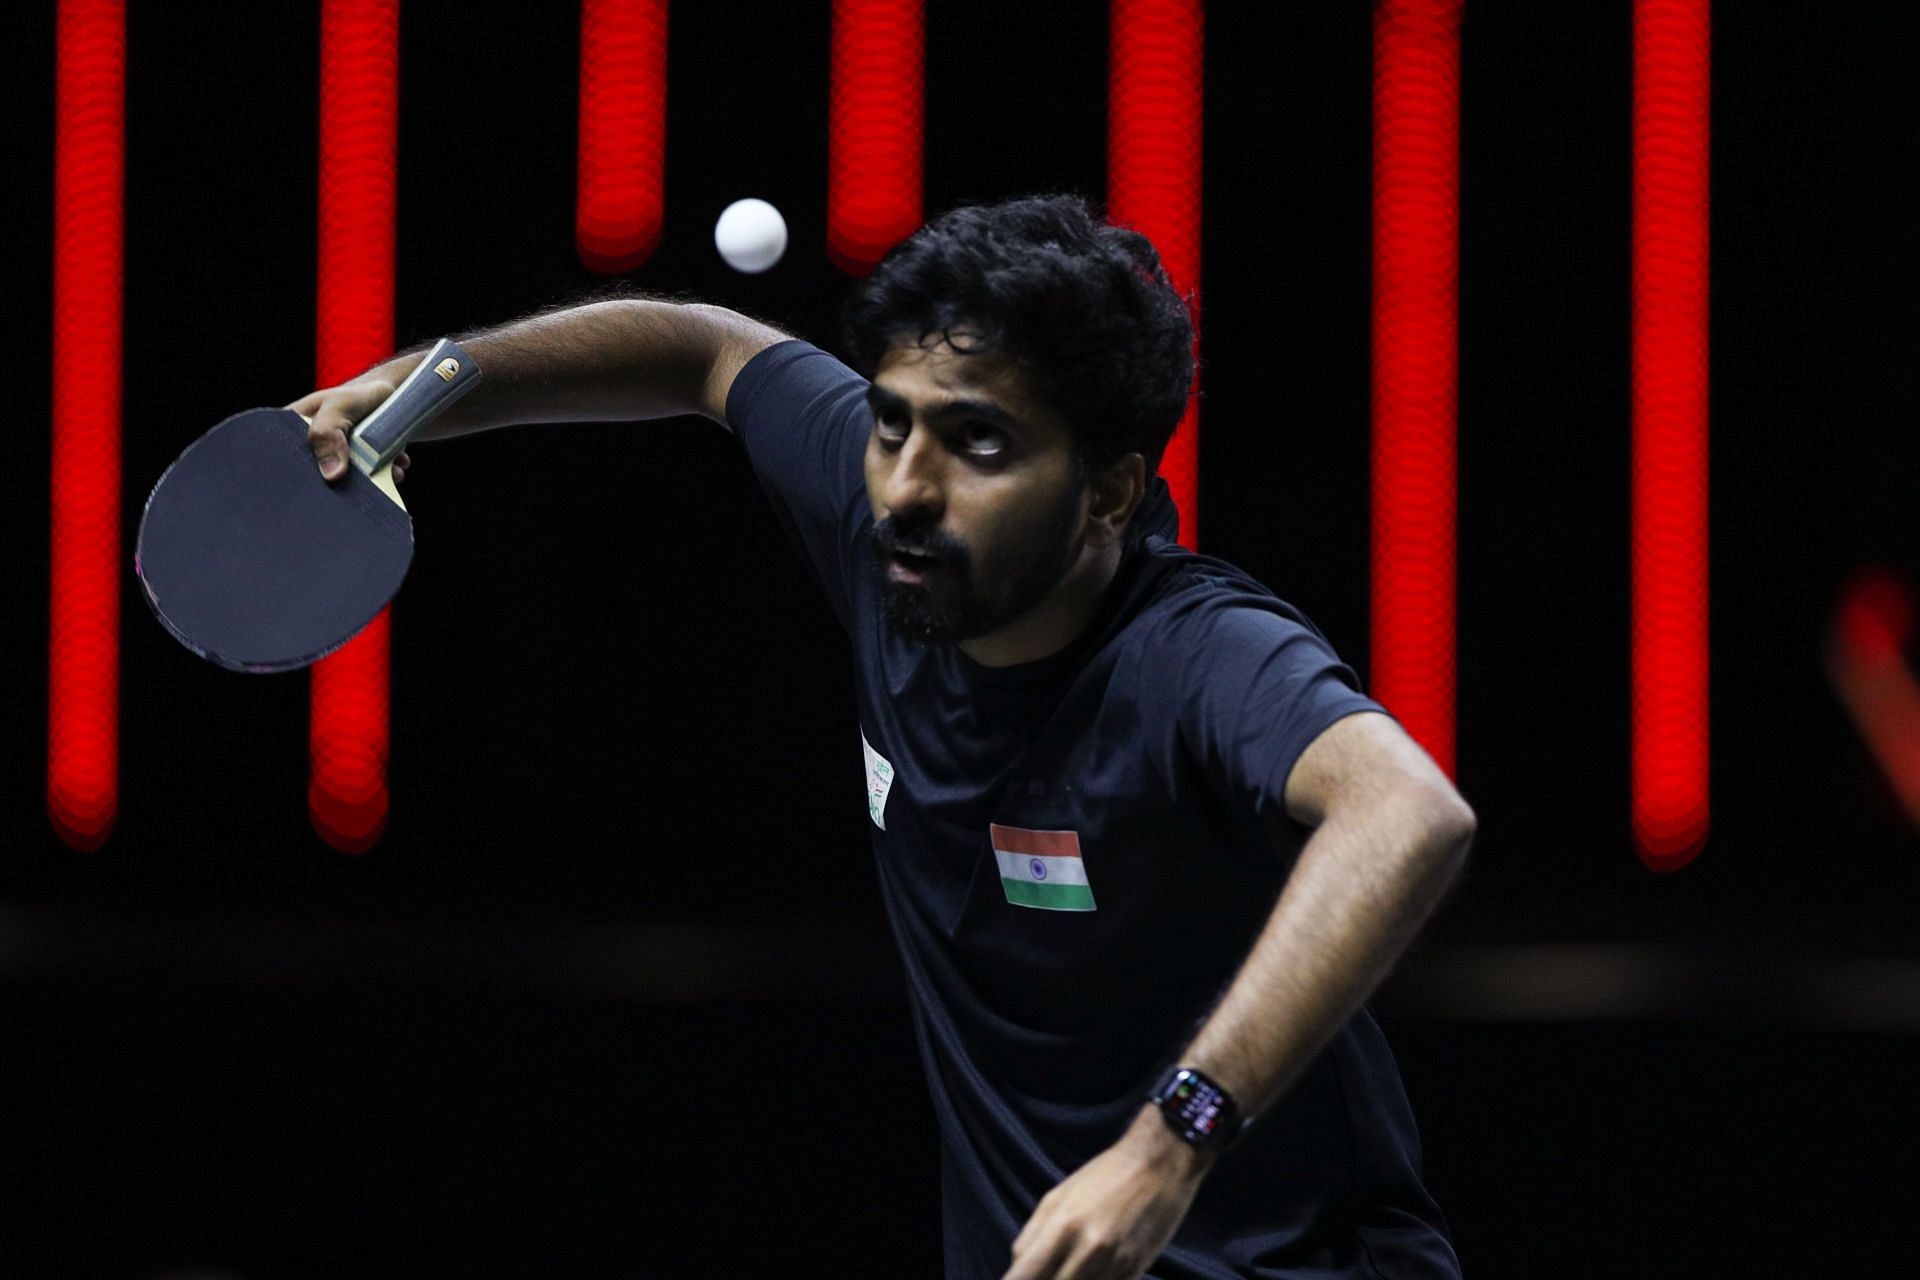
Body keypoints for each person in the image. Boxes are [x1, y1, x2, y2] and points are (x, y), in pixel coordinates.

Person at [293, 194, 1475, 1280]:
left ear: (1111, 493)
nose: (909, 485)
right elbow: (705, 345)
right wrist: (408, 397)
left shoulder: (1193, 653)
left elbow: (1407, 809)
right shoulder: (894, 535)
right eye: (890, 422)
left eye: (980, 444)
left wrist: (1173, 1139)